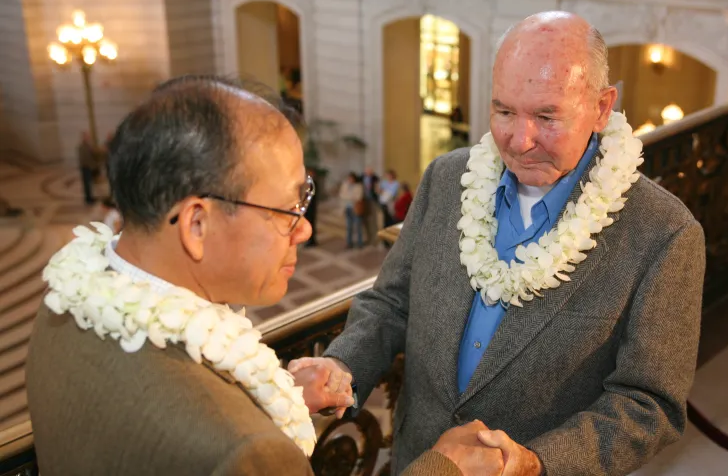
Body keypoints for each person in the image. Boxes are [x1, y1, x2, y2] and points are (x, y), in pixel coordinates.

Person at [291, 11, 706, 476]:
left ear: (602, 107)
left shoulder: (665, 235)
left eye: (547, 116)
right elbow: (391, 301)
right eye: (504, 110)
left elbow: (649, 405)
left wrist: (535, 463)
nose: (519, 139)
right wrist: (343, 366)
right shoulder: (448, 178)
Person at [26, 75, 500, 476]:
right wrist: (445, 467)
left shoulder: (62, 303)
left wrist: (266, 398)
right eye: (288, 208)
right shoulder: (244, 451)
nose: (306, 227)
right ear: (196, 224)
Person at [339, 172, 364, 249]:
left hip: (355, 208)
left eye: (351, 178)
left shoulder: (359, 186)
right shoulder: (345, 185)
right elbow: (341, 195)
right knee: (349, 227)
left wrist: (348, 196)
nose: (350, 180)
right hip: (347, 208)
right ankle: (349, 242)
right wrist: (350, 196)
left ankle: (359, 242)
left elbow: (358, 197)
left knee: (358, 226)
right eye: (349, 178)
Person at [77, 130, 98, 204]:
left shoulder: (88, 146)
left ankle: (90, 197)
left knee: (89, 183)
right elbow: (84, 158)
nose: (88, 138)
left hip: (88, 167)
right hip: (85, 167)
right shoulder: (82, 147)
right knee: (86, 184)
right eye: (87, 136)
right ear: (84, 137)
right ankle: (88, 199)